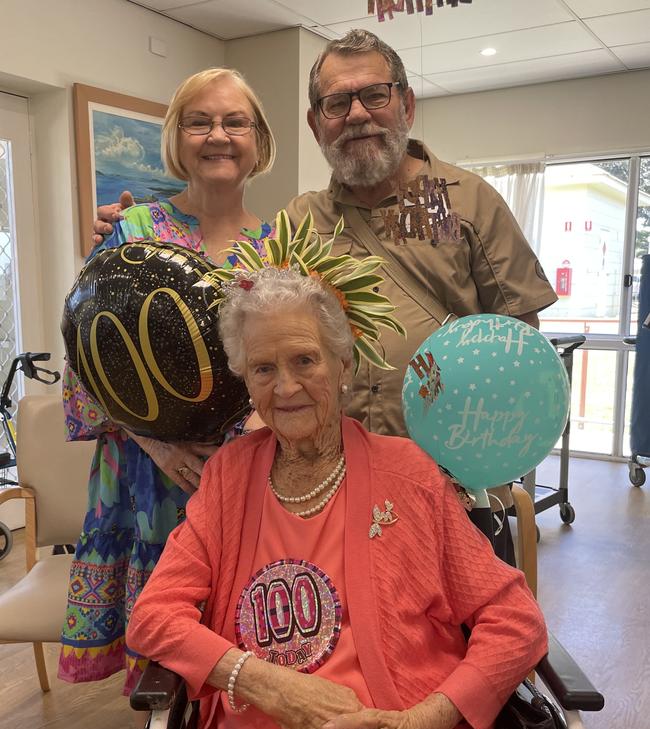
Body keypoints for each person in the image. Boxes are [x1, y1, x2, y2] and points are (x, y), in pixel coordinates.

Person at [126, 242, 548, 729]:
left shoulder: (408, 474)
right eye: (264, 369)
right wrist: (271, 687)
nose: (287, 386)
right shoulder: (228, 478)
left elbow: (515, 624)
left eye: (305, 360)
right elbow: (154, 616)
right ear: (246, 380)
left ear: (343, 363)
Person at [93, 30, 557, 564]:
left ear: (405, 103)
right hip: (338, 498)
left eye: (375, 95)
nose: (357, 114)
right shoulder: (299, 222)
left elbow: (520, 356)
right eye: (337, 103)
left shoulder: (465, 202)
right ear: (316, 123)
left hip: (452, 491)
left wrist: (482, 467)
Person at [58, 68, 275, 694]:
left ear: (258, 140)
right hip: (146, 474)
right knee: (163, 669)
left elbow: (283, 361)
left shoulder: (278, 247)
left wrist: (253, 432)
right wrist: (160, 444)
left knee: (237, 655)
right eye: (199, 121)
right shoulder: (130, 232)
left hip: (242, 476)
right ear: (177, 140)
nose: (218, 135)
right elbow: (86, 362)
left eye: (235, 121)